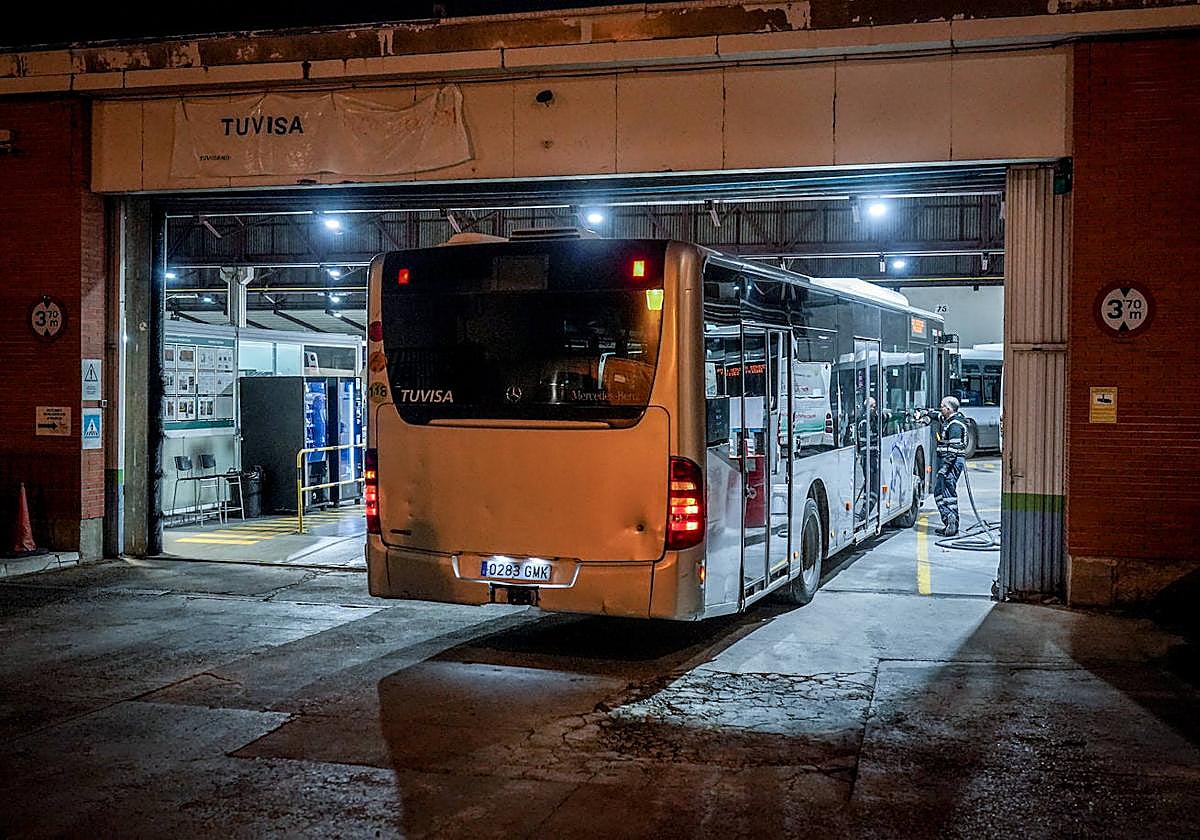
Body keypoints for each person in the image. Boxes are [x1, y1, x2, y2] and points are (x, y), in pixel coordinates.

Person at [930, 395, 969, 536]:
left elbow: (953, 451)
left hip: (952, 462)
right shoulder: (950, 420)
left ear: (949, 408)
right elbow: (937, 416)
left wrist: (944, 468)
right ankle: (948, 521)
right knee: (939, 492)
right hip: (949, 461)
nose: (941, 409)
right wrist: (924, 413)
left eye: (942, 406)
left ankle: (952, 520)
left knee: (948, 491)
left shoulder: (955, 425)